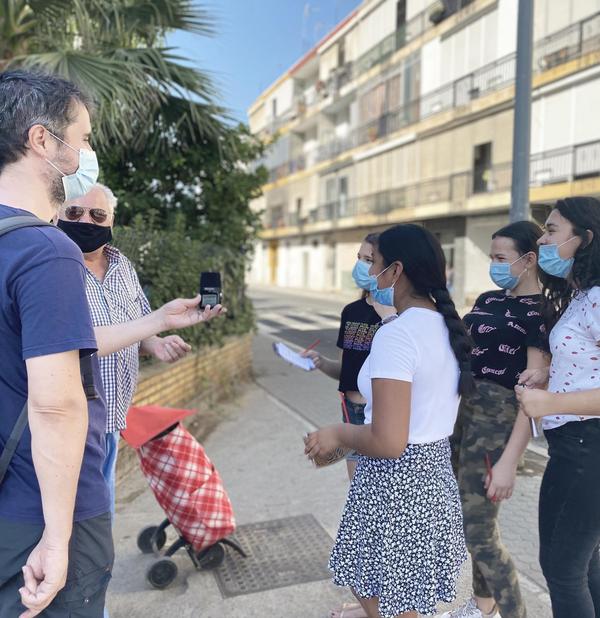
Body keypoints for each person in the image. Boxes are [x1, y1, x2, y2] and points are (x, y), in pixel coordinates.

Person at [304, 223, 473, 618]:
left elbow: (389, 441)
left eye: (375, 263)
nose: (369, 273)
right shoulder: (447, 328)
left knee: (381, 594)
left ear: (396, 270)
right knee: (403, 598)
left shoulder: (398, 335)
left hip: (395, 487)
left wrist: (337, 433)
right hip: (432, 479)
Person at [0, 69, 114, 618]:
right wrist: (58, 537)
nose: (86, 154)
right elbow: (55, 404)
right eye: (83, 139)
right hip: (36, 511)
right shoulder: (45, 250)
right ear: (42, 140)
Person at [56, 184, 196, 517]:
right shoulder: (52, 267)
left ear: (112, 220)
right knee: (75, 520)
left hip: (113, 421)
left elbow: (138, 326)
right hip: (70, 425)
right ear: (57, 214)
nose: (86, 221)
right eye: (74, 212)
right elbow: (70, 343)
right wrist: (160, 320)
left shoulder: (123, 266)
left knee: (101, 515)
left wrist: (157, 343)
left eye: (97, 215)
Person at [442, 221, 549, 618]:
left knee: (479, 530)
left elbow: (534, 391)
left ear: (529, 259)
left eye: (501, 258)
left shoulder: (543, 310)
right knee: (472, 520)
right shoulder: (488, 299)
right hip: (461, 412)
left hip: (498, 419)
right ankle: (482, 603)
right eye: (492, 257)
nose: (494, 265)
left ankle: (512, 611)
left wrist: (509, 460)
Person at [516, 196, 600, 618]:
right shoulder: (581, 296)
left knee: (563, 570)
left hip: (588, 447)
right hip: (572, 446)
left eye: (551, 230)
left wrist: (551, 401)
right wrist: (548, 375)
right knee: (581, 566)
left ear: (585, 239)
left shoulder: (598, 298)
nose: (542, 239)